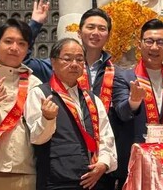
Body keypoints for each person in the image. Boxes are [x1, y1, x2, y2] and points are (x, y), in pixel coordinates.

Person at [24, 38, 117, 189]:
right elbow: (36, 138)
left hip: (95, 181)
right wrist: (47, 118)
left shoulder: (93, 99)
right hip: (57, 181)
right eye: (67, 59)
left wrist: (103, 164)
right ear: (53, 62)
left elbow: (107, 136)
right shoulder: (40, 93)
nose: (74, 64)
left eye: (79, 59)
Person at [112, 18, 163, 188]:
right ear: (139, 44)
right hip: (134, 164)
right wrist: (134, 101)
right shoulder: (124, 78)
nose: (154, 47)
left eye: (161, 42)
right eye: (149, 41)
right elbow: (121, 113)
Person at [0, 19, 43, 189]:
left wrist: (48, 118)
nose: (14, 48)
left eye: (21, 43)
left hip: (22, 169)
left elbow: (39, 132)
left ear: (27, 49)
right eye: (8, 41)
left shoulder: (35, 84)